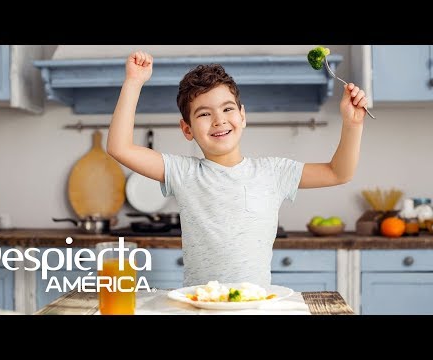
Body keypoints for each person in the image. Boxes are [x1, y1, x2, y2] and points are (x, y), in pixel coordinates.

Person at [107, 51, 368, 287]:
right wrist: (133, 82)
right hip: (200, 304)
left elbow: (338, 172)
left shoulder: (274, 172)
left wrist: (353, 125)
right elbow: (119, 147)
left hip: (255, 305)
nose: (219, 119)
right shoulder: (183, 172)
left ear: (242, 116)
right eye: (204, 114)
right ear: (187, 129)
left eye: (227, 109)